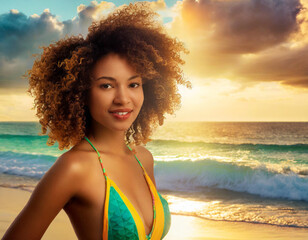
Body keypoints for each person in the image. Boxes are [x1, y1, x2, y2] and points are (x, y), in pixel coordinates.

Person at [3, 2, 191, 240]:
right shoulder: (74, 168)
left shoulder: (144, 159)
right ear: (80, 92)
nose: (123, 98)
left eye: (134, 84)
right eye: (106, 85)